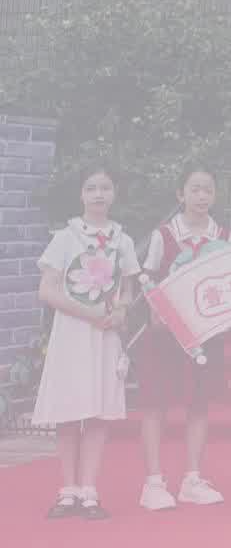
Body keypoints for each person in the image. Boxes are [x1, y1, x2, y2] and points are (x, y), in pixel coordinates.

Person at [36, 168, 139, 520]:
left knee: (98, 412)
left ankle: (90, 490)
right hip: (71, 333)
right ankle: (67, 491)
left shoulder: (123, 240)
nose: (98, 194)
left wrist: (120, 311)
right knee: (69, 412)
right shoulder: (66, 238)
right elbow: (47, 290)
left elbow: (127, 289)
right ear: (81, 194)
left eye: (105, 188)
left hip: (105, 335)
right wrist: (88, 312)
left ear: (114, 193)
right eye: (91, 188)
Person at [135, 167, 229, 511]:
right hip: (165, 334)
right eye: (195, 189)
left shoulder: (224, 235)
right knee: (155, 403)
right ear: (181, 194)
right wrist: (156, 313)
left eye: (208, 190)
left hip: (204, 333)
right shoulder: (164, 235)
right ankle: (153, 482)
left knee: (199, 403)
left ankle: (192, 478)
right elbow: (146, 279)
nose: (202, 196)